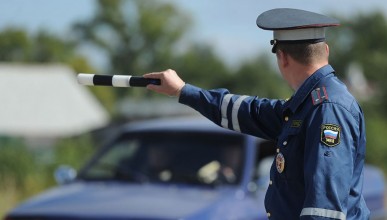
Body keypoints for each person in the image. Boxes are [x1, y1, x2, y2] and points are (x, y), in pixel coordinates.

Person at [143, 8, 370, 220]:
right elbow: (248, 111)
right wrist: (183, 91)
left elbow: (324, 210)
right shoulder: (309, 104)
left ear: (283, 57)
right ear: (326, 51)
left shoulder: (326, 108)